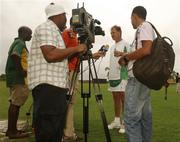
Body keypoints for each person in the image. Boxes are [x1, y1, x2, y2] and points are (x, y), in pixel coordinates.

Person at [28, 3, 87, 142]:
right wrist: (77, 48)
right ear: (59, 15)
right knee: (48, 132)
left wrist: (77, 52)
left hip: (55, 88)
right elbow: (51, 55)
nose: (66, 20)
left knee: (55, 131)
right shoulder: (47, 27)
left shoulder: (55, 32)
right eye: (65, 16)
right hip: (48, 88)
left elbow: (60, 57)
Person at [62, 18, 106, 142]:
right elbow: (62, 52)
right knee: (68, 102)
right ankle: (68, 134)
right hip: (69, 71)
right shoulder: (67, 33)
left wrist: (93, 55)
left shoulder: (75, 36)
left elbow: (78, 56)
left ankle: (68, 132)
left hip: (73, 71)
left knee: (70, 103)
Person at [119, 6, 155, 142]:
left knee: (131, 119)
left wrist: (127, 58)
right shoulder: (147, 28)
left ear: (135, 16)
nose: (131, 21)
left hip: (137, 78)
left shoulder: (144, 26)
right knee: (145, 118)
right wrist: (127, 55)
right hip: (144, 79)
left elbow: (146, 50)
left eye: (131, 18)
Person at [5, 26, 32, 139]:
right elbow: (15, 55)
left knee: (14, 103)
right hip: (18, 79)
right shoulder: (20, 43)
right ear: (23, 33)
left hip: (14, 78)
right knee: (15, 104)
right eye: (29, 34)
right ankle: (12, 132)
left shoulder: (17, 42)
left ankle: (12, 129)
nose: (31, 36)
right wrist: (21, 71)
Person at [108, 25, 130, 134]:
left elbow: (130, 56)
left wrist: (121, 54)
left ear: (119, 32)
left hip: (122, 75)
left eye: (114, 32)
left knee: (123, 98)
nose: (112, 34)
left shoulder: (126, 44)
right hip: (112, 76)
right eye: (111, 33)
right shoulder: (111, 47)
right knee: (115, 98)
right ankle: (117, 121)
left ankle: (125, 122)